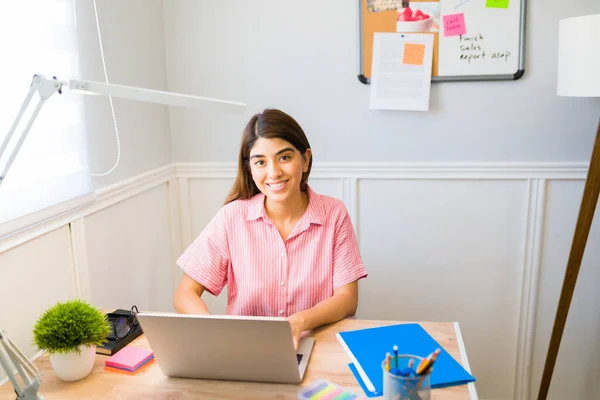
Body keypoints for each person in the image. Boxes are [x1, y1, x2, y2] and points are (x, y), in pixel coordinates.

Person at [173, 108, 367, 350]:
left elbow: (347, 300)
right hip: (245, 350)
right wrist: (214, 332)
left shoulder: (334, 214)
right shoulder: (232, 217)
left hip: (317, 347)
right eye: (261, 162)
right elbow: (185, 293)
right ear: (250, 168)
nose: (274, 172)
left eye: (284, 157)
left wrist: (298, 322)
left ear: (305, 160)